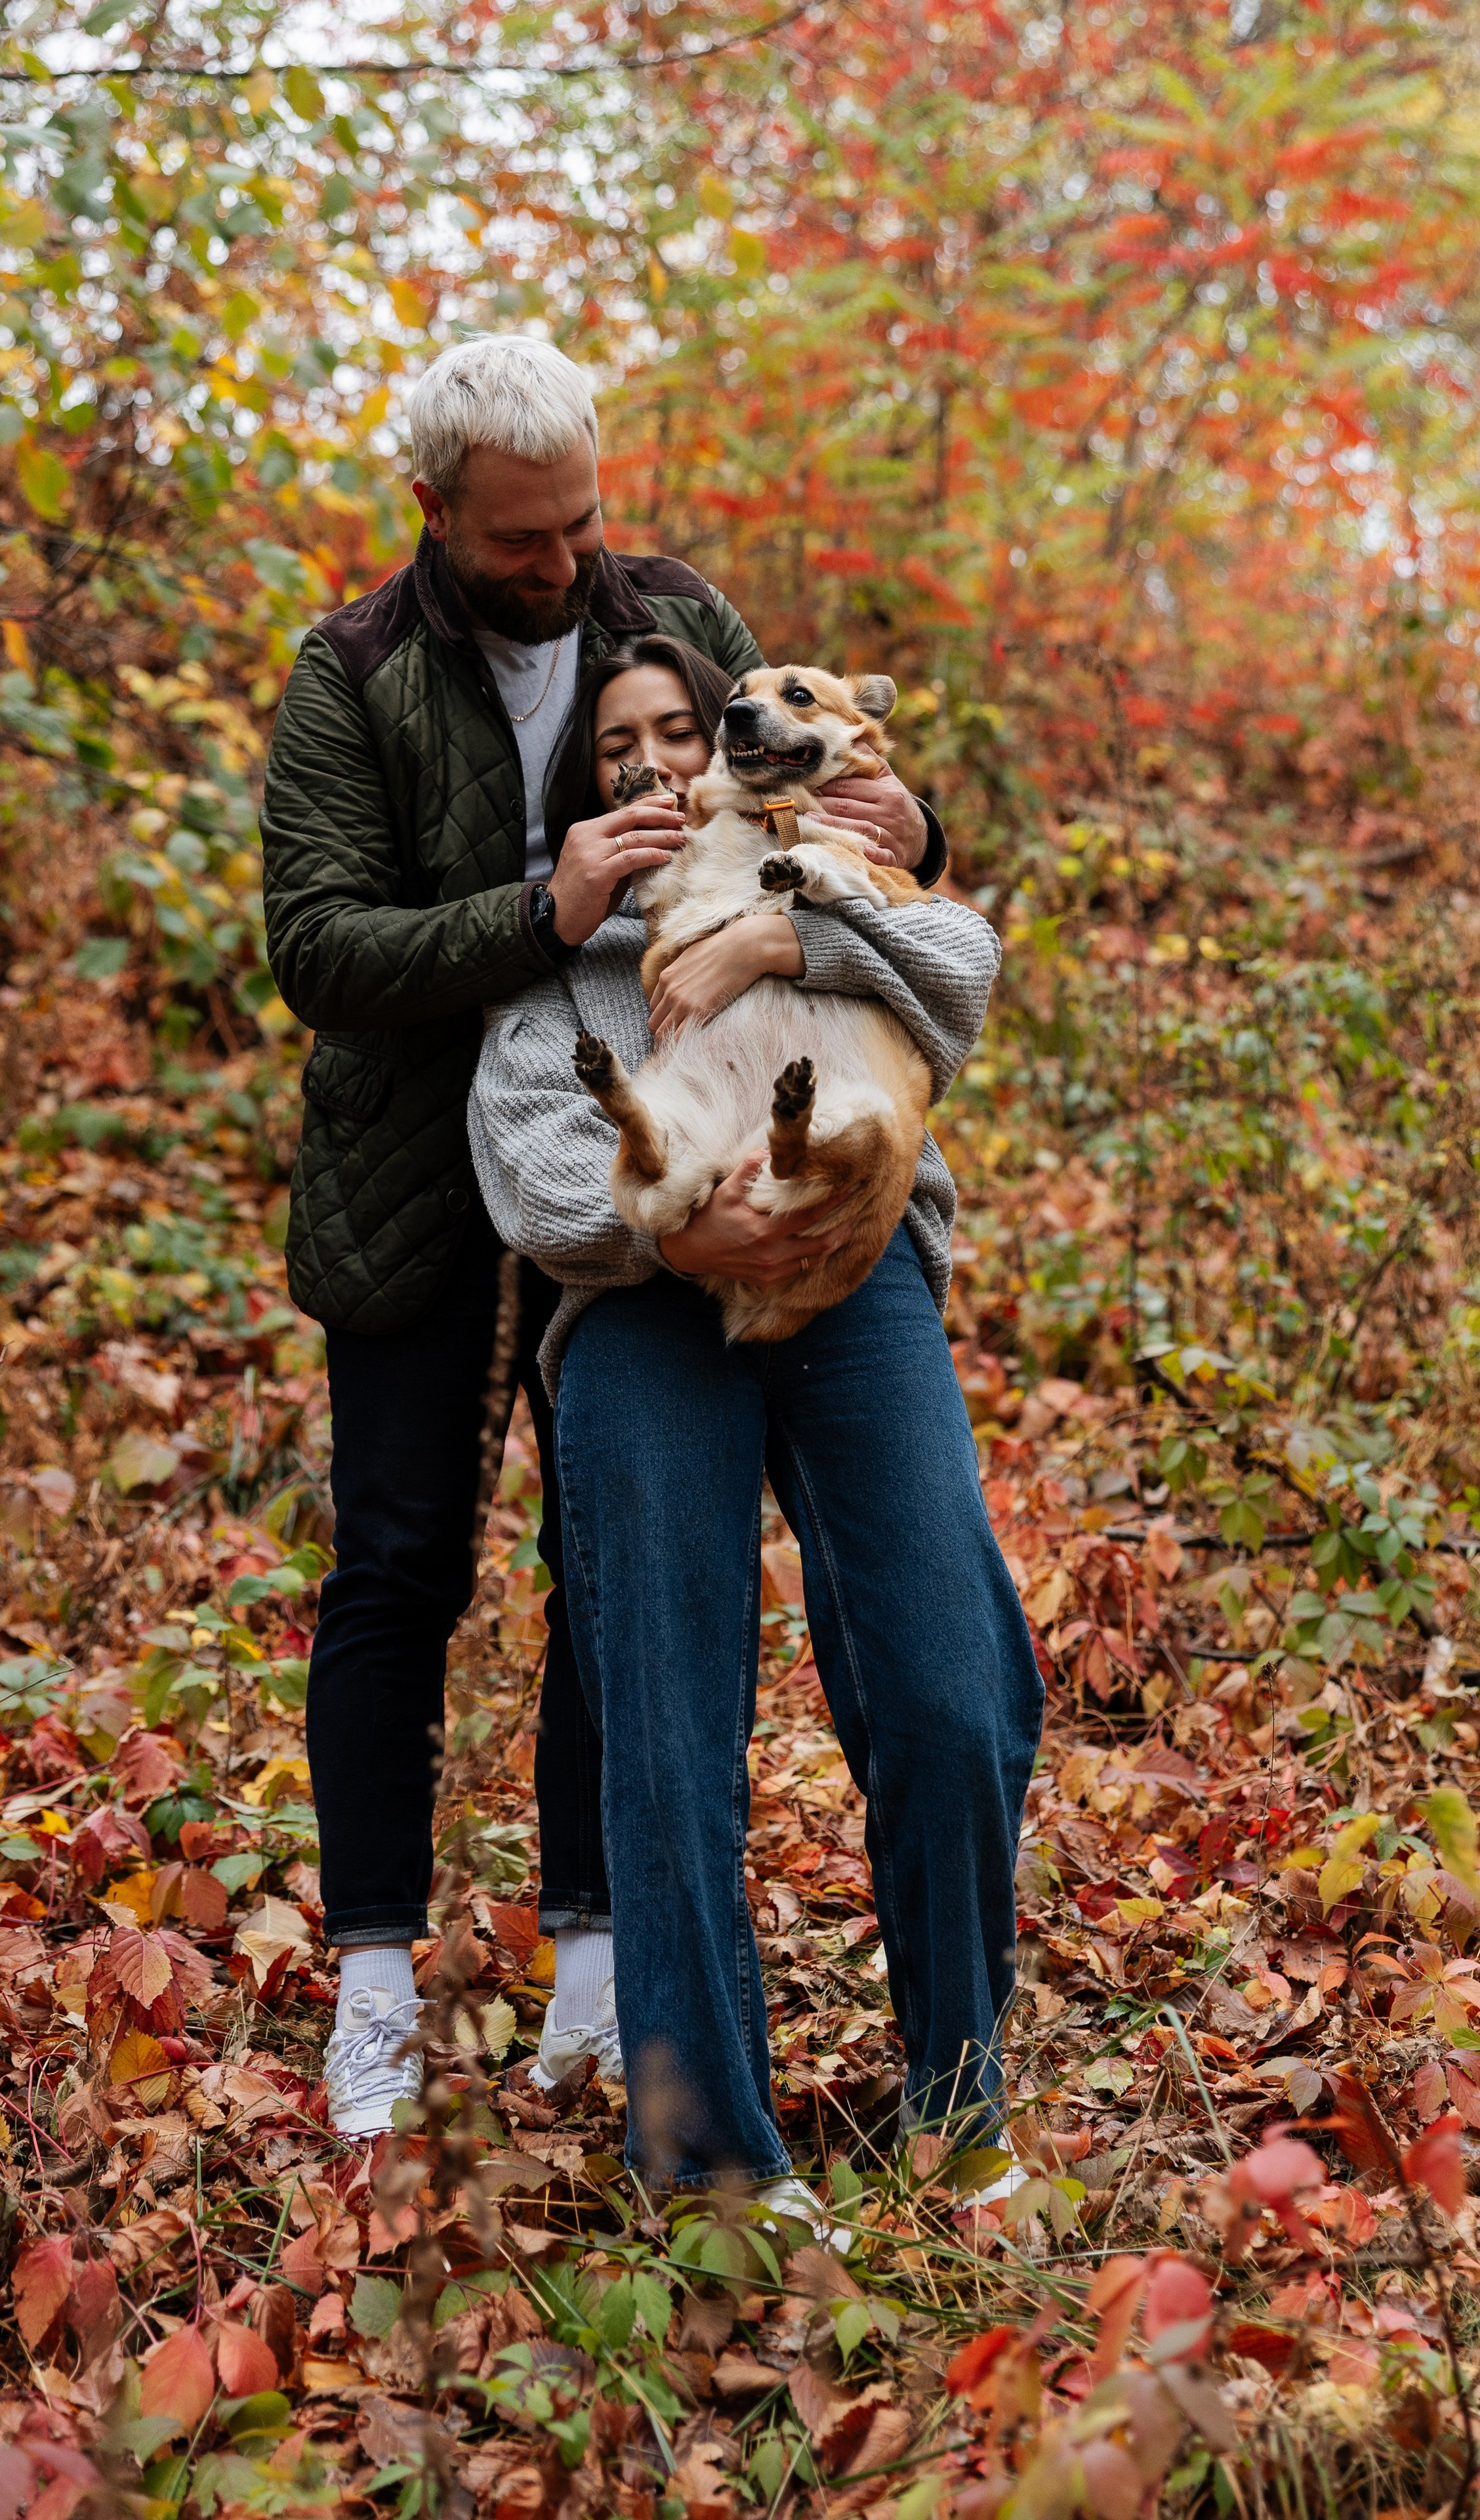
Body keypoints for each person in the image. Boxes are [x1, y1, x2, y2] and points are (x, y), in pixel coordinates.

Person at [260, 335, 937, 2138]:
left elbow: (812, 789)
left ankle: (591, 1964)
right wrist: (528, 904)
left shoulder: (677, 611)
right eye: (523, 540)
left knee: (607, 1565)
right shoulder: (355, 673)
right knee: (400, 1566)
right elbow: (315, 948)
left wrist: (904, 821)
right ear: (436, 514)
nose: (566, 565)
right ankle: (378, 1988)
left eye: (581, 523)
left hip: (642, 1151)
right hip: (422, 1175)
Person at [468, 638, 1044, 2200]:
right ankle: (711, 2157)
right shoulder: (566, 951)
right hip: (641, 1316)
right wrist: (670, 1232)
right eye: (616, 751)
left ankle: (956, 2099)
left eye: (679, 731)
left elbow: (961, 979)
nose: (659, 762)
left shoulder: (826, 859)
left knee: (950, 1681)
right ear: (581, 792)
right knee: (664, 1718)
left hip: (848, 1280)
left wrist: (781, 937)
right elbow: (525, 1166)